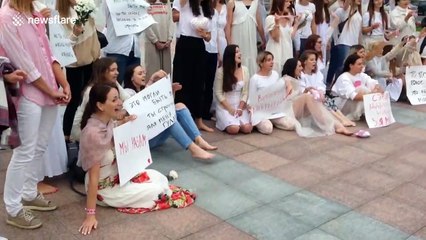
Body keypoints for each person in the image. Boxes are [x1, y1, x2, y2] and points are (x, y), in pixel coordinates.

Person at [78, 83, 196, 235]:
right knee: (157, 190)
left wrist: (127, 123)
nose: (120, 103)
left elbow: (115, 130)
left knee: (157, 177)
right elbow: (94, 178)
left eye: (119, 98)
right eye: (114, 100)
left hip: (118, 177)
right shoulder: (93, 134)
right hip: (104, 189)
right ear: (100, 105)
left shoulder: (106, 122)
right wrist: (90, 215)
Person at [0, 0, 71, 229]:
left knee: (40, 145)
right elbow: (25, 63)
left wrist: (63, 83)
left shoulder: (33, 13)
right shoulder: (7, 17)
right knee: (24, 151)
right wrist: (52, 90)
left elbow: (48, 53)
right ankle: (13, 208)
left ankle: (29, 192)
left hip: (48, 89)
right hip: (27, 93)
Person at [123, 64, 217, 159]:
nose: (143, 75)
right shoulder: (128, 92)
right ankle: (194, 149)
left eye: (144, 73)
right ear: (131, 78)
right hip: (145, 140)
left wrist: (171, 91)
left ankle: (199, 140)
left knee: (180, 106)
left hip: (155, 132)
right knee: (168, 119)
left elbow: (163, 107)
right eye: (140, 73)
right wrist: (152, 78)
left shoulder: (144, 89)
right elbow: (142, 106)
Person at [56, 0, 101, 142]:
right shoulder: (61, 15)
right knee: (74, 100)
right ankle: (66, 136)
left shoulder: (86, 6)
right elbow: (61, 45)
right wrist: (74, 34)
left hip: (91, 59)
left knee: (89, 97)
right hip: (74, 63)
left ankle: (87, 132)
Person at [281, 58, 353, 137]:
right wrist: (290, 88)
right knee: (307, 97)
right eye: (299, 66)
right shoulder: (286, 78)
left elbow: (297, 96)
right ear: (293, 67)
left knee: (316, 101)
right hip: (288, 109)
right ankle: (334, 125)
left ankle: (337, 125)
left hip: (296, 107)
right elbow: (288, 94)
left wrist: (306, 90)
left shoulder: (297, 79)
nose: (301, 68)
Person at [172, 0, 214, 132]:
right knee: (182, 82)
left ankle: (199, 120)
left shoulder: (207, 8)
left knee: (199, 82)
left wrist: (204, 35)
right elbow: (174, 17)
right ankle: (180, 120)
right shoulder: (184, 3)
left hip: (199, 45)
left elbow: (209, 37)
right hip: (185, 43)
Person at [299, 50, 356, 127]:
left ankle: (343, 118)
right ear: (305, 61)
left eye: (315, 60)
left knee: (328, 101)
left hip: (319, 96)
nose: (314, 62)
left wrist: (321, 93)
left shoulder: (317, 73)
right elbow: (302, 90)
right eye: (311, 60)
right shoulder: (301, 75)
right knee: (324, 103)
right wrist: (316, 95)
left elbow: (321, 85)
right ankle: (340, 120)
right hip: (309, 100)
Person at [248, 51, 294, 134]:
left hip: (274, 109)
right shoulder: (255, 79)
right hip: (261, 110)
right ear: (261, 63)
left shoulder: (275, 74)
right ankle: (265, 122)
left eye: (272, 59)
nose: (272, 62)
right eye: (268, 60)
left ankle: (274, 121)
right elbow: (252, 98)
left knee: (291, 125)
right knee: (267, 129)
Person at [214, 44, 253, 134]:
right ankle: (221, 119)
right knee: (234, 129)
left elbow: (245, 92)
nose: (240, 54)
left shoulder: (245, 70)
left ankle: (241, 120)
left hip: (240, 105)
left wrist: (240, 108)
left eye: (239, 51)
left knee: (247, 128)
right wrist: (230, 109)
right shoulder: (221, 71)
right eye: (237, 52)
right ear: (230, 55)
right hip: (225, 106)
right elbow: (218, 93)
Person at [332, 54, 383, 121]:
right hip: (340, 106)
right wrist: (371, 95)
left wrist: (377, 88)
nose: (362, 66)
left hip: (351, 103)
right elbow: (354, 96)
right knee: (362, 89)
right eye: (359, 64)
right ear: (351, 66)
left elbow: (373, 83)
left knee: (368, 90)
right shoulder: (344, 77)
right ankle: (352, 115)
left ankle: (367, 114)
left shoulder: (361, 75)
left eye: (362, 64)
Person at [326, 0, 362, 89]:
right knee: (341, 66)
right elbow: (345, 6)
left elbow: (359, 32)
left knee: (349, 67)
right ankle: (333, 87)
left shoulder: (359, 13)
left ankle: (343, 87)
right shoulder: (345, 10)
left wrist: (359, 45)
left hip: (354, 44)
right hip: (344, 42)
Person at [225, 0, 266, 76]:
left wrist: (264, 39)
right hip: (237, 39)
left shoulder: (255, 3)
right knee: (238, 61)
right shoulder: (232, 3)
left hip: (251, 42)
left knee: (252, 62)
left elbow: (259, 23)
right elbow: (228, 25)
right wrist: (229, 44)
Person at [265, 0, 299, 73]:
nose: (289, 4)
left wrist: (296, 24)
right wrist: (277, 23)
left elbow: (290, 37)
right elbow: (276, 37)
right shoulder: (270, 18)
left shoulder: (288, 19)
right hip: (276, 52)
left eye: (290, 2)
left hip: (287, 52)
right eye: (287, 1)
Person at [143, 0, 173, 78]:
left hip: (166, 42)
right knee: (153, 74)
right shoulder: (145, 2)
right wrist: (155, 41)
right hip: (151, 42)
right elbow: (145, 22)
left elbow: (171, 20)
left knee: (166, 75)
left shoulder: (167, 2)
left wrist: (169, 38)